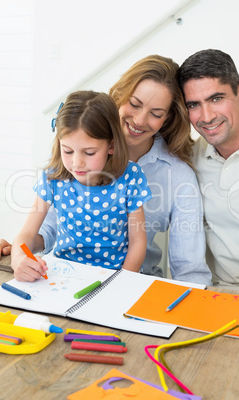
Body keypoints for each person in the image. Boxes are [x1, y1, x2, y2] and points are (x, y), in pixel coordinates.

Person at [1, 55, 212, 286]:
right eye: (134, 103)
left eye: (156, 113)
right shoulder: (70, 157)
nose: (140, 120)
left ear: (168, 117)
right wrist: (19, 254)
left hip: (129, 281)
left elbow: (186, 269)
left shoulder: (172, 176)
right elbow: (47, 230)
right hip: (61, 277)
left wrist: (120, 283)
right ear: (120, 95)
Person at [11, 90, 152, 281]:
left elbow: (138, 243)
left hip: (116, 277)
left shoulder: (130, 177)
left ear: (111, 146)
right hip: (63, 275)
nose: (77, 163)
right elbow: (27, 233)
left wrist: (121, 282)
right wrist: (18, 259)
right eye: (68, 151)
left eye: (89, 152)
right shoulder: (53, 176)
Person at [177, 48, 239, 292]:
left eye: (216, 98)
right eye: (194, 105)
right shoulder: (191, 157)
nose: (206, 116)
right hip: (216, 294)